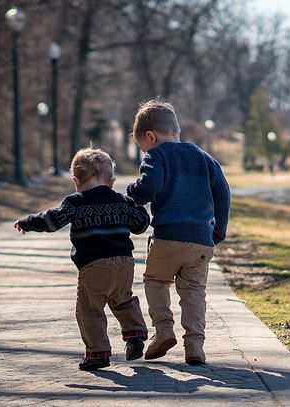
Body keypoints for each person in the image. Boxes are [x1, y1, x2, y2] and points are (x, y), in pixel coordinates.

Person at [14, 147, 150, 371]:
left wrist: (28, 222)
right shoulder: (121, 201)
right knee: (123, 299)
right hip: (124, 263)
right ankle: (135, 336)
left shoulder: (75, 202)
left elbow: (52, 221)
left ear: (76, 180)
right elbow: (140, 225)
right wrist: (139, 207)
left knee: (89, 309)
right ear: (111, 181)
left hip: (94, 265)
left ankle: (97, 353)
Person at [127, 99, 231, 365]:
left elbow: (148, 188)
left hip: (167, 237)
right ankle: (195, 346)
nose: (144, 151)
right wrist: (218, 231)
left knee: (155, 281)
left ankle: (163, 330)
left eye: (142, 147)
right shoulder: (204, 157)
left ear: (151, 137)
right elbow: (223, 192)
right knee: (194, 291)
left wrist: (132, 192)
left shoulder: (156, 155)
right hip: (200, 240)